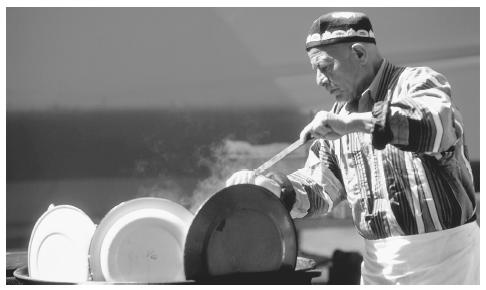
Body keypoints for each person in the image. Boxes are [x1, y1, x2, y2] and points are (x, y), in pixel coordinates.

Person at [226, 11, 479, 285]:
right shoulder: (339, 115)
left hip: (447, 260)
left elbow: (436, 125)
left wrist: (355, 124)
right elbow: (320, 188)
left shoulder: (415, 82)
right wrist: (273, 190)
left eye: (324, 67)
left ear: (359, 53)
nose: (320, 80)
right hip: (377, 267)